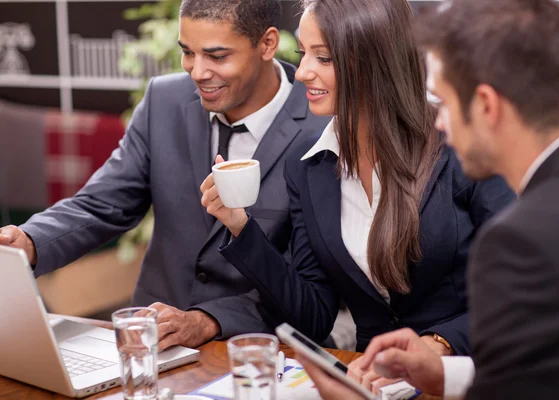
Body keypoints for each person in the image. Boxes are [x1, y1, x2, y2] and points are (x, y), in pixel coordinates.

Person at [305, 0, 559, 399]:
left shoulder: (523, 241)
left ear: (485, 105)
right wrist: (445, 375)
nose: (438, 121)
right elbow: (557, 368)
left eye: (443, 101)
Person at [0, 0, 328, 352]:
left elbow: (306, 289)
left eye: (217, 57)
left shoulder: (321, 125)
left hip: (253, 352)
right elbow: (103, 204)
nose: (197, 72)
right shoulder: (164, 100)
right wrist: (28, 241)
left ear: (267, 43)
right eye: (188, 52)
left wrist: (208, 320)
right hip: (149, 345)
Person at [201, 0, 513, 362]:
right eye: (303, 54)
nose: (301, 72)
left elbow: (520, 290)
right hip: (374, 379)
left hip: (472, 369)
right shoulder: (307, 164)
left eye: (324, 58)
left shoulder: (463, 144)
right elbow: (313, 317)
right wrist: (240, 226)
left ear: (374, 60)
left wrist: (439, 343)